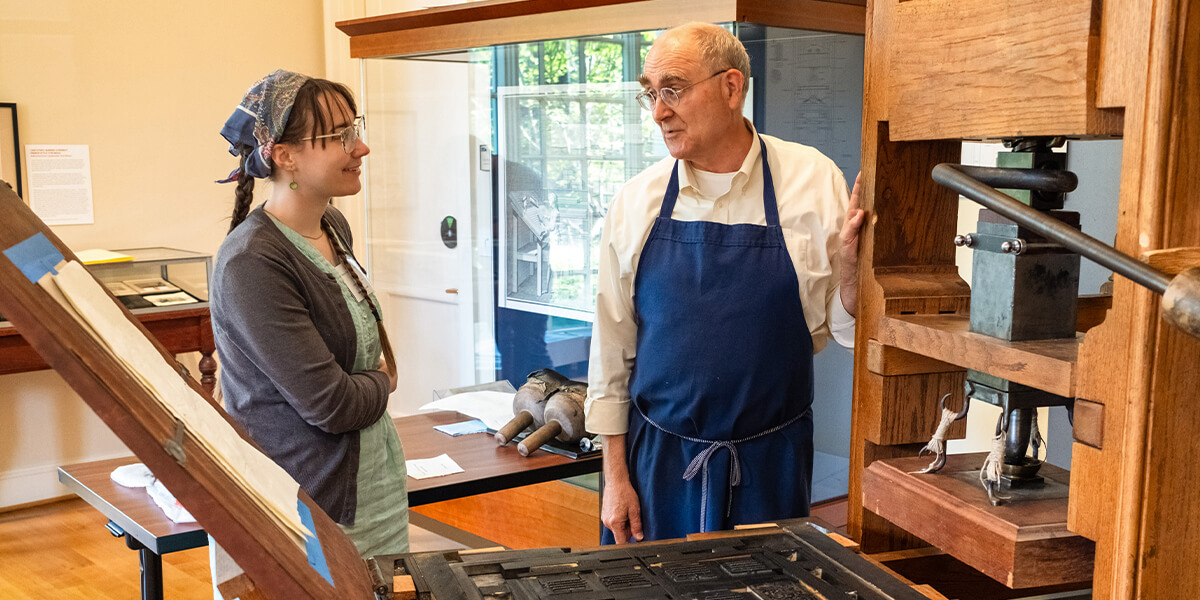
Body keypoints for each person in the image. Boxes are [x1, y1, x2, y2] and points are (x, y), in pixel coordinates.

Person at [584, 23, 864, 544]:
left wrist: (852, 276)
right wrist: (615, 478)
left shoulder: (812, 179)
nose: (658, 111)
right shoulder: (637, 200)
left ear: (732, 87)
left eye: (673, 90)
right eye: (650, 92)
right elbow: (612, 350)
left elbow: (842, 328)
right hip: (656, 464)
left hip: (773, 461)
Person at [210, 69, 408, 560]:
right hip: (305, 504)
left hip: (372, 486)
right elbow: (332, 406)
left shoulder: (333, 226)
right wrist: (384, 381)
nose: (360, 149)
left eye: (354, 130)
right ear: (284, 155)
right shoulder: (253, 261)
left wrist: (365, 383)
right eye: (340, 137)